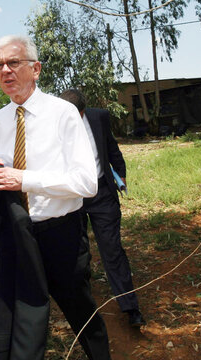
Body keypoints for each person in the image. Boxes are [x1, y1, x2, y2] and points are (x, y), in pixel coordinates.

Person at [0, 35, 110, 359]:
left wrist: (24, 179)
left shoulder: (63, 114)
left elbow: (87, 183)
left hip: (61, 233)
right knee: (22, 317)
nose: (5, 70)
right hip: (17, 233)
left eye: (13, 63)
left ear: (36, 68)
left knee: (80, 311)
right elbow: (6, 175)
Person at [60, 88, 145, 328]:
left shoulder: (99, 117)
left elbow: (112, 147)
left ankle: (130, 307)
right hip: (72, 196)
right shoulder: (55, 123)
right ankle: (83, 305)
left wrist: (122, 174)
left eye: (74, 117)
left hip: (102, 193)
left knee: (112, 250)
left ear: (83, 112)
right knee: (77, 251)